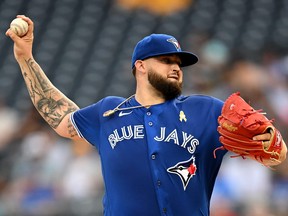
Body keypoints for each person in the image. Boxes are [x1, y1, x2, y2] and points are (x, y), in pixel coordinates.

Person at [6, 15, 287, 216]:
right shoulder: (109, 111)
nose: (175, 67)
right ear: (140, 66)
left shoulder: (207, 110)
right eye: (166, 60)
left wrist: (275, 148)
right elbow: (61, 117)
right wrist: (25, 58)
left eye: (178, 62)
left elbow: (276, 157)